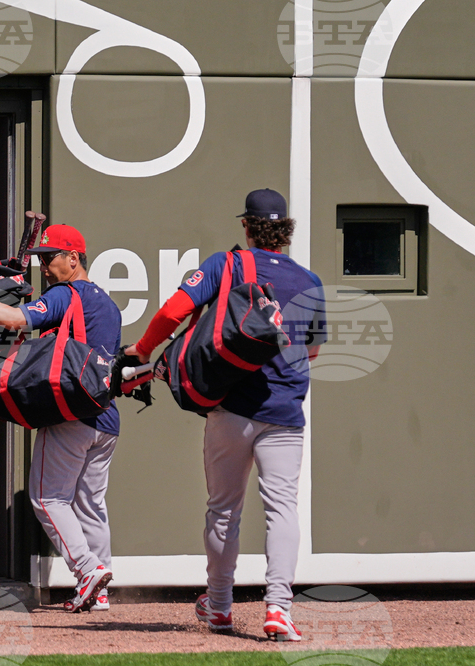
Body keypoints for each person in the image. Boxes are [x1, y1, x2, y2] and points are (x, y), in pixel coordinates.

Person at [124, 189, 325, 640]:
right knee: (282, 510)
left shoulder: (228, 264)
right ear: (285, 229)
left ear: (247, 226)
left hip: (231, 408)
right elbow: (311, 351)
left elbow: (173, 312)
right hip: (285, 409)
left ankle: (218, 607)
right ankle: (278, 609)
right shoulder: (309, 280)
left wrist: (141, 351)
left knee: (223, 511)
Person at [0, 224, 122, 613]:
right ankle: (100, 589)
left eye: (50, 258)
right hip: (106, 418)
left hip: (72, 416)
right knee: (91, 503)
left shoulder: (66, 294)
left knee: (47, 498)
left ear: (73, 259)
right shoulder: (108, 304)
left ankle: (87, 570)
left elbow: (15, 320)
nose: (43, 266)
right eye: (41, 258)